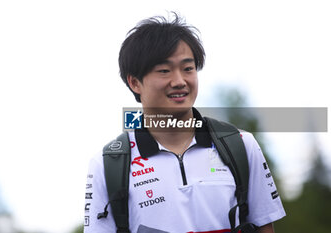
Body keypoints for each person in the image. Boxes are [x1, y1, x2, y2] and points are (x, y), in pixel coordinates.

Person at [84, 13, 285, 233]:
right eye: (164, 71)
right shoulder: (108, 164)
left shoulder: (241, 144)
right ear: (134, 83)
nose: (179, 81)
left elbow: (264, 227)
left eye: (188, 69)